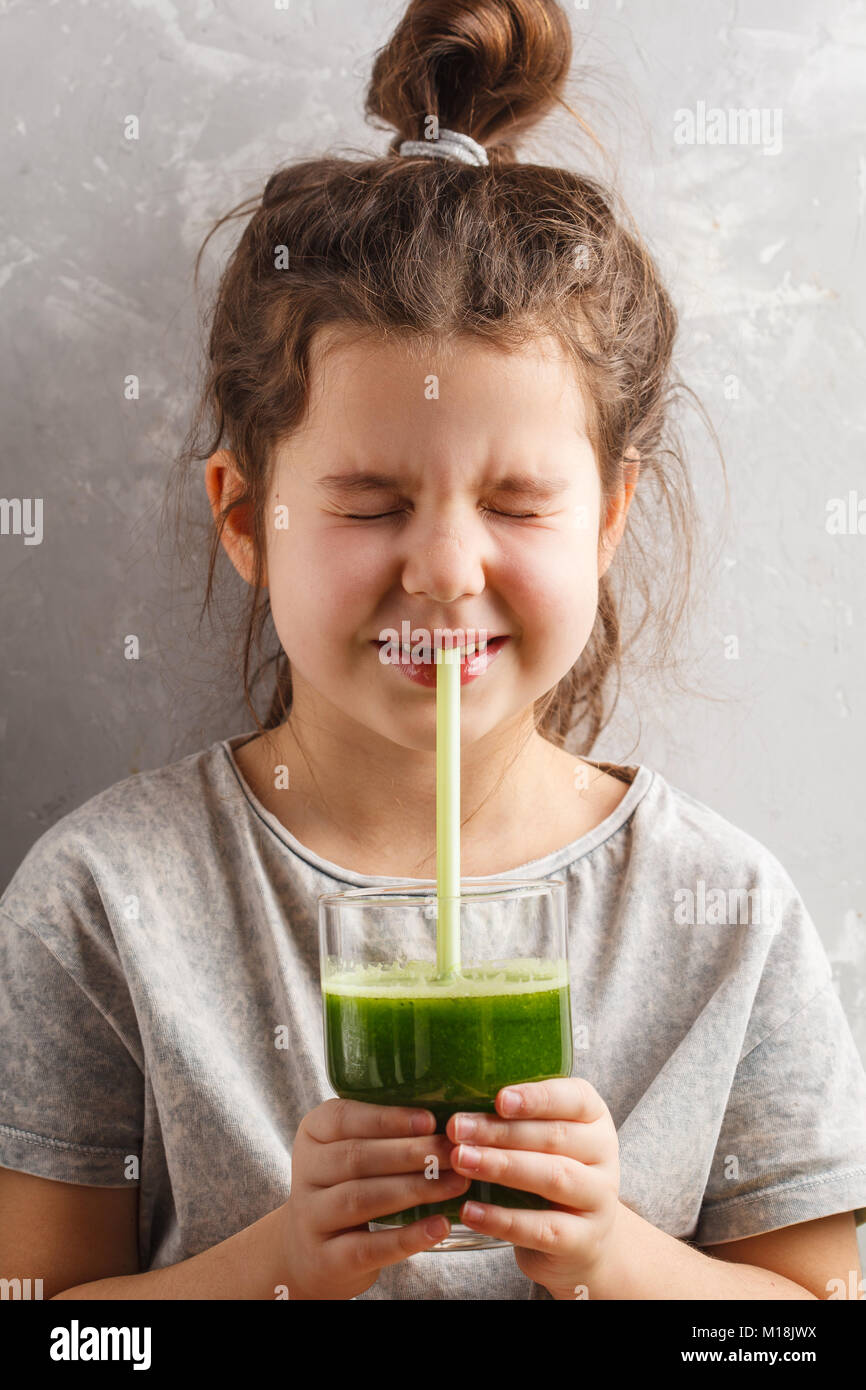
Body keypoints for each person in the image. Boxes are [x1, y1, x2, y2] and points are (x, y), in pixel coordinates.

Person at [2, 0, 865, 1302]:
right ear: (246, 514)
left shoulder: (724, 920)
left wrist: (607, 1250)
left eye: (515, 504)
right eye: (371, 502)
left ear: (608, 519)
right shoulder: (104, 904)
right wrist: (277, 1266)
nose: (447, 568)